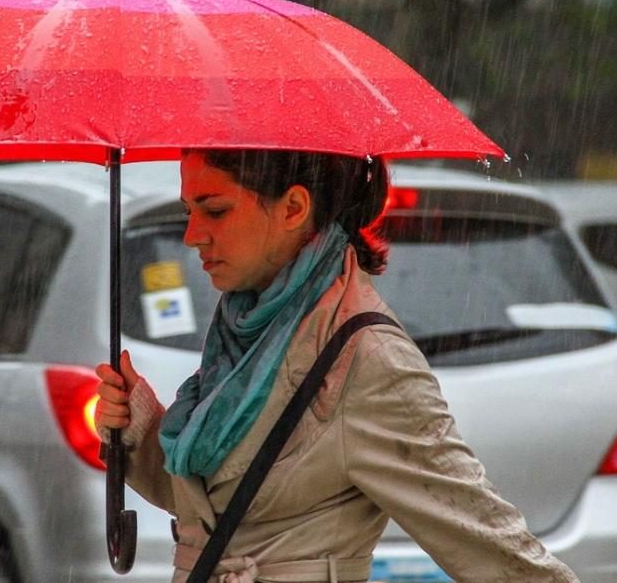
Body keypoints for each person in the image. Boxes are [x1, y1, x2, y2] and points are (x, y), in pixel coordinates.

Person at [95, 149, 577, 583]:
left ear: (293, 208)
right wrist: (140, 429)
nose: (192, 236)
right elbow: (224, 507)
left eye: (215, 210)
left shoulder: (366, 357)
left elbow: (487, 542)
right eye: (188, 211)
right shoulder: (246, 330)